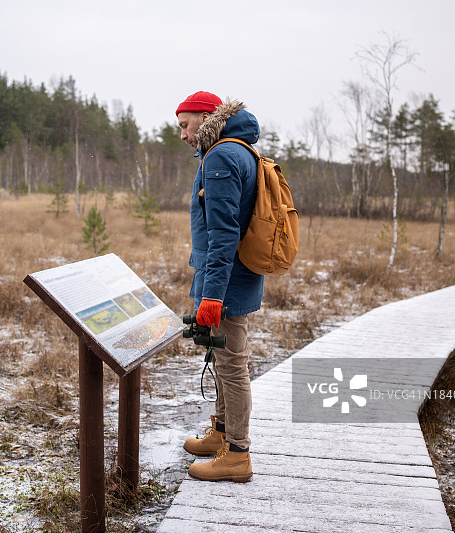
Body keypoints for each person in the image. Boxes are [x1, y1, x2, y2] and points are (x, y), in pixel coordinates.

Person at [176, 91, 264, 482]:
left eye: (185, 125)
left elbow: (224, 234)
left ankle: (238, 455)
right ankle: (223, 435)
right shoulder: (237, 149)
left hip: (226, 281)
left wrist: (211, 295)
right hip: (233, 276)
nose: (182, 135)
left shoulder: (222, 156)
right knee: (225, 361)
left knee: (232, 366)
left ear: (205, 117)